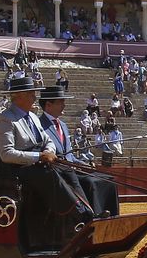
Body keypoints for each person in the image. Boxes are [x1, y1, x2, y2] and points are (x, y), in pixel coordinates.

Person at [0, 76, 85, 245]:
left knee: (67, 170)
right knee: (47, 173)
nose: (35, 97)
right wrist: (39, 156)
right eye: (31, 94)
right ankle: (76, 214)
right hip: (17, 169)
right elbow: (6, 154)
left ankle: (86, 210)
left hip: (37, 164)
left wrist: (49, 151)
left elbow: (47, 140)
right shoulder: (6, 119)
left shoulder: (34, 117)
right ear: (18, 96)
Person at [38, 86, 119, 218]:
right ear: (48, 104)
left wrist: (83, 163)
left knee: (108, 180)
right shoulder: (40, 125)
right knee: (91, 183)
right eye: (61, 102)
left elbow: (69, 154)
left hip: (71, 170)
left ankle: (112, 218)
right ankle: (93, 216)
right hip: (57, 173)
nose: (64, 105)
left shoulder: (63, 125)